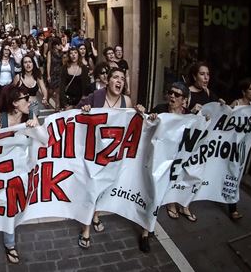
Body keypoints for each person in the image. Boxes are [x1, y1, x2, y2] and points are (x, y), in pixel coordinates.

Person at [76, 68, 151, 252]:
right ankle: (86, 229)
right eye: (115, 77)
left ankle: (96, 215)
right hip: (95, 152)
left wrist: (139, 112)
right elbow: (77, 113)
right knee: (93, 187)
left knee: (105, 186)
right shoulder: (96, 96)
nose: (119, 81)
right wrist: (84, 109)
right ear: (107, 81)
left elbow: (132, 123)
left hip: (115, 153)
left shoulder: (127, 101)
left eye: (122, 79)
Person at [0, 85, 39, 264]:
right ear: (15, 103)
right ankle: (9, 244)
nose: (29, 101)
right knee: (10, 208)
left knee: (15, 208)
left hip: (22, 173)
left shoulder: (30, 117)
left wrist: (36, 125)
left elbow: (43, 140)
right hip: (2, 173)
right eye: (25, 98)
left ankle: (7, 233)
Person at [148, 82, 194, 223]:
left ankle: (182, 203)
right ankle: (170, 202)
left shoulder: (190, 116)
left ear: (184, 100)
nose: (172, 96)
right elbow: (147, 124)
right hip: (162, 154)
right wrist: (152, 118)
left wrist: (206, 119)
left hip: (179, 154)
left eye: (177, 94)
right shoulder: (160, 109)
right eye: (170, 92)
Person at [227, 78, 251, 220]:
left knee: (236, 173)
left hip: (243, 148)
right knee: (233, 174)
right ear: (244, 91)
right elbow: (225, 120)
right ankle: (233, 208)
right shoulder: (236, 104)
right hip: (231, 147)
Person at [46, 37, 63, 110]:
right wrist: (48, 75)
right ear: (55, 45)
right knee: (51, 90)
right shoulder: (50, 52)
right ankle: (47, 99)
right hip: (52, 72)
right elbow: (48, 63)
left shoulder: (61, 53)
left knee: (58, 91)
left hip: (60, 73)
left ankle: (57, 106)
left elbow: (63, 63)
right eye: (59, 45)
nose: (60, 46)